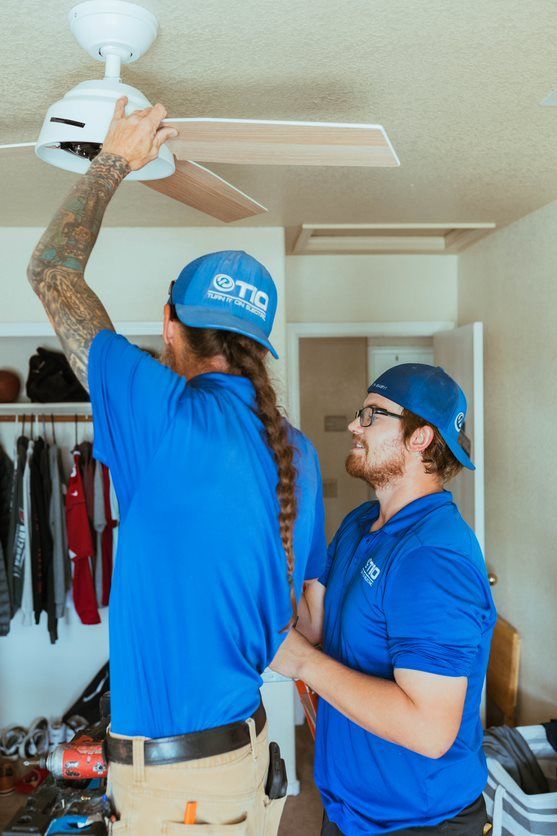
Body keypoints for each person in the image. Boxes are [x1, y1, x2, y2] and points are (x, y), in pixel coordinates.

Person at [27, 97, 326, 835]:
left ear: (170, 326)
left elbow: (51, 269)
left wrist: (114, 159)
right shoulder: (302, 454)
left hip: (181, 792)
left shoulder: (157, 410)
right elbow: (300, 623)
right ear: (259, 343)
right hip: (245, 759)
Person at [271, 363, 498, 835]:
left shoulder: (433, 558)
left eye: (373, 415)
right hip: (348, 812)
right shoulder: (361, 522)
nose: (355, 425)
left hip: (418, 823)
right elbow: (314, 623)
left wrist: (304, 665)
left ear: (420, 439)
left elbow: (429, 730)